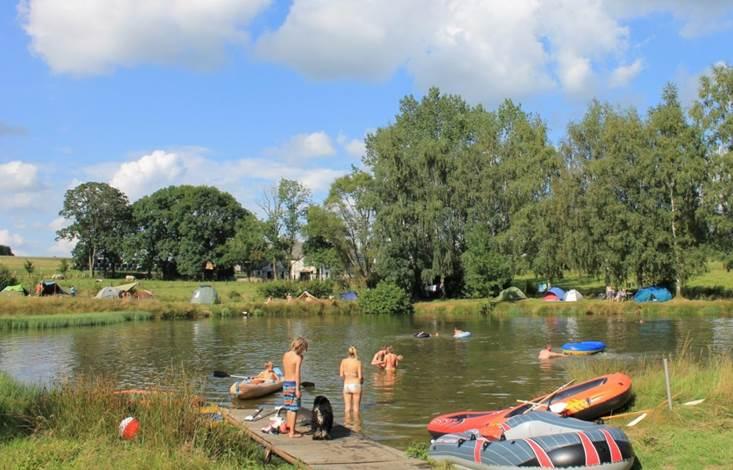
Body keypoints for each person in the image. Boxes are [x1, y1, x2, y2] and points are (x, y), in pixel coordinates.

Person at [282, 337, 308, 438]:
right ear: (300, 347)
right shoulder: (298, 358)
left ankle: (289, 428)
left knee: (288, 408)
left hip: (285, 383)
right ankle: (292, 433)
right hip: (293, 384)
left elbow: (286, 369)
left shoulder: (285, 355)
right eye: (304, 349)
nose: (303, 351)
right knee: (294, 409)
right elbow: (297, 374)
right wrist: (297, 389)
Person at [340, 346, 363, 425]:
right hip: (356, 384)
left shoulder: (343, 361)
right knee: (356, 409)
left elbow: (341, 375)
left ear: (348, 353)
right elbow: (360, 377)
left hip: (347, 385)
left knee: (347, 408)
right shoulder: (358, 362)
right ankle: (356, 427)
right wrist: (362, 381)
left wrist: (346, 380)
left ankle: (347, 425)